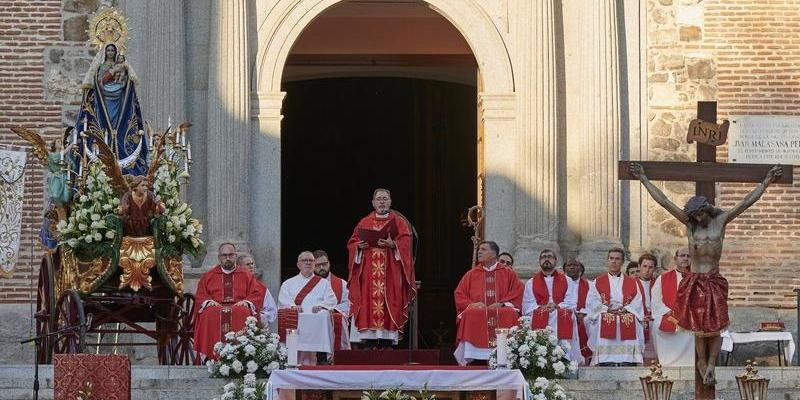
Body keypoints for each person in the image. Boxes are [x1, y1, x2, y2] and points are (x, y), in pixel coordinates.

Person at [631, 163, 782, 384]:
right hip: (695, 280)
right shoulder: (690, 224)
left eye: (699, 214)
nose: (697, 218)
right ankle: (702, 363)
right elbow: (664, 201)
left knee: (717, 324)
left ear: (706, 209)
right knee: (699, 326)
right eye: (694, 215)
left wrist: (767, 181)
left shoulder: (721, 221)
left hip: (714, 279)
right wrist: (644, 179)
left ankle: (712, 363)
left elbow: (747, 202)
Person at [347, 188, 416, 347]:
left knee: (390, 301)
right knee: (367, 303)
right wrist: (359, 246)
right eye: (379, 199)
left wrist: (393, 244)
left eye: (385, 198)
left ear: (390, 202)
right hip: (369, 273)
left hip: (390, 271)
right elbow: (352, 243)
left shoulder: (399, 222)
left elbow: (407, 243)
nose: (382, 202)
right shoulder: (364, 222)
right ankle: (369, 342)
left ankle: (387, 341)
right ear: (373, 203)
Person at [76, 43, 146, 175]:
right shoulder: (100, 67)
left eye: (112, 50)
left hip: (119, 98)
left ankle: (119, 146)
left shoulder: (123, 65)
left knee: (118, 126)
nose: (110, 52)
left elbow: (128, 81)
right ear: (105, 52)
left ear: (116, 52)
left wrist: (123, 81)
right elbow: (98, 82)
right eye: (108, 50)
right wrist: (108, 77)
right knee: (105, 124)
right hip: (104, 100)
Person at [453, 241, 524, 365]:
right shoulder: (471, 274)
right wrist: (471, 304)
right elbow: (459, 294)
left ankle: (507, 355)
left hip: (501, 310)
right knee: (471, 312)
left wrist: (502, 303)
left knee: (508, 312)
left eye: (483, 249)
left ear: (493, 254)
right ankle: (470, 357)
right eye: (479, 249)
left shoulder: (508, 273)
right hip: (478, 312)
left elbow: (518, 291)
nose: (479, 251)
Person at [193, 243, 266, 361]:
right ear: (219, 257)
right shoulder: (209, 276)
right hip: (216, 307)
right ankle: (210, 355)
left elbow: (256, 293)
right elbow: (201, 295)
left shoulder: (246, 275)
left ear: (235, 256)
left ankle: (243, 355)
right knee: (209, 312)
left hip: (239, 306)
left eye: (230, 255)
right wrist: (208, 302)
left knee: (243, 311)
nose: (227, 258)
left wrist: (247, 302)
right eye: (224, 255)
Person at [585, 248, 644, 366]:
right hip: (605, 312)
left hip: (625, 312)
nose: (614, 261)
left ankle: (627, 360)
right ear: (607, 260)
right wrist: (606, 309)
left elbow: (637, 302)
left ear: (622, 262)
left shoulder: (632, 282)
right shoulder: (598, 281)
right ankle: (604, 360)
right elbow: (592, 302)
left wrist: (626, 309)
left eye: (617, 259)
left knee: (631, 321)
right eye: (611, 258)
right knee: (603, 320)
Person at [277, 251, 338, 365]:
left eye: (311, 260)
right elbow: (283, 300)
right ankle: (291, 360)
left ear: (314, 264)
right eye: (305, 260)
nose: (308, 263)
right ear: (298, 264)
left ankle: (321, 358)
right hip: (297, 316)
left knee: (324, 315)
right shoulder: (288, 283)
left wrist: (321, 306)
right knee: (292, 315)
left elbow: (331, 300)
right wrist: (293, 306)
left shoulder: (323, 283)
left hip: (317, 316)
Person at [522, 249, 582, 364]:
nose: (546, 259)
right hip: (539, 311)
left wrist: (557, 306)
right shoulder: (531, 282)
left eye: (550, 257)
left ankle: (564, 355)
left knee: (563, 315)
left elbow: (571, 301)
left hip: (560, 310)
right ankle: (539, 355)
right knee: (536, 317)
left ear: (555, 261)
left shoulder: (567, 280)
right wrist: (541, 308)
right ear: (539, 261)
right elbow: (527, 304)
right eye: (543, 257)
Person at [650, 247, 695, 367]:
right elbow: (655, 299)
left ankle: (690, 364)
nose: (685, 258)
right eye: (682, 256)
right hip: (670, 314)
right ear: (675, 258)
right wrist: (669, 312)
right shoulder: (663, 278)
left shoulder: (696, 278)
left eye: (688, 256)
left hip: (689, 316)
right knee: (656, 326)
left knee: (695, 329)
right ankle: (666, 363)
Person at [313, 249, 351, 353]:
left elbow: (347, 304)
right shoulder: (307, 284)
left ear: (329, 263)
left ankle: (337, 357)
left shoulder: (341, 284)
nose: (321, 268)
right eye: (318, 265)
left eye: (324, 264)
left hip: (333, 318)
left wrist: (330, 309)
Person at [233, 255, 278, 330]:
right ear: (238, 267)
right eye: (247, 264)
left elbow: (272, 310)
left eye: (252, 263)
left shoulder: (262, 288)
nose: (251, 266)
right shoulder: (231, 285)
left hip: (254, 329)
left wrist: (260, 317)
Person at [564, 258, 592, 365]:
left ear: (580, 269)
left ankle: (588, 358)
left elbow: (594, 303)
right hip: (567, 315)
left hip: (585, 315)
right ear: (564, 269)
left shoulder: (590, 285)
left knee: (589, 322)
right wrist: (572, 312)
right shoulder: (561, 284)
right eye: (569, 265)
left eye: (575, 265)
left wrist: (584, 313)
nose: (572, 267)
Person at [636, 253, 657, 364]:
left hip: (654, 319)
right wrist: (640, 315)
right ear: (639, 267)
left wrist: (653, 315)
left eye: (650, 267)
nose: (647, 270)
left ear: (655, 269)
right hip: (638, 320)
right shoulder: (631, 283)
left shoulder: (659, 283)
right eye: (644, 266)